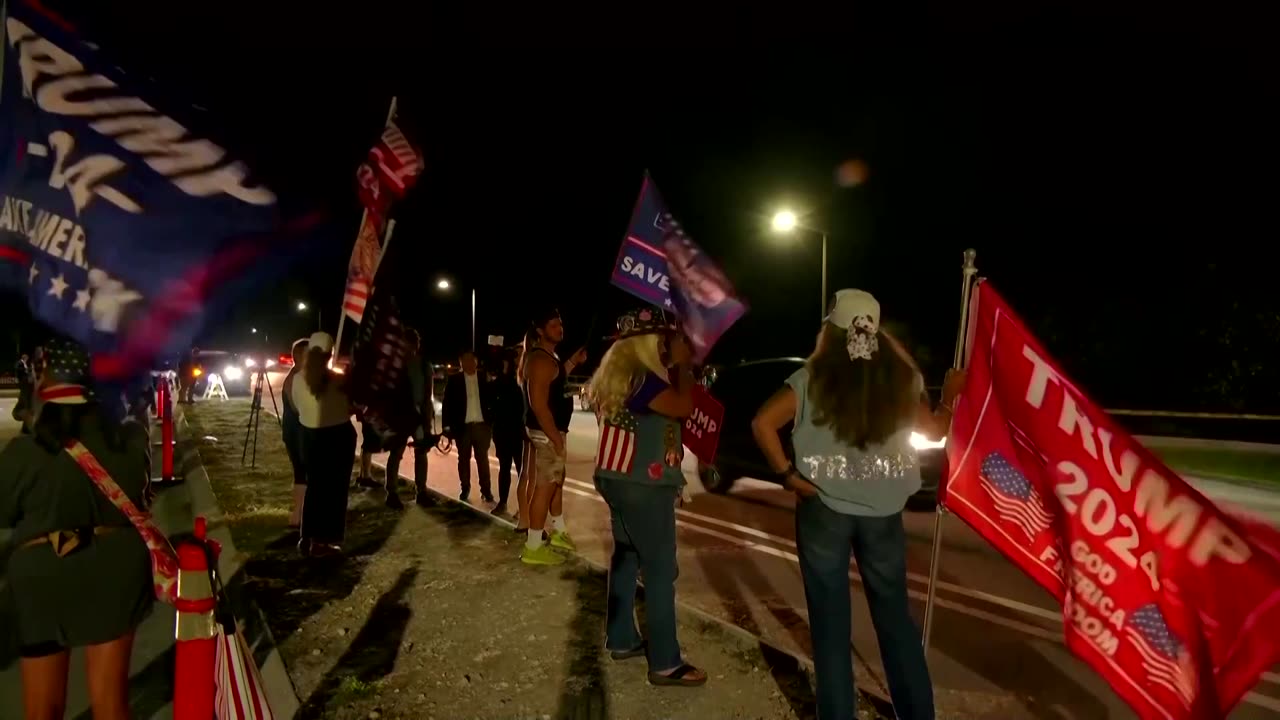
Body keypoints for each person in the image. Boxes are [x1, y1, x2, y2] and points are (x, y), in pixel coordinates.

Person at [751, 289, 962, 720]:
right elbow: (937, 430)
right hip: (883, 513)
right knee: (896, 623)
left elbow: (762, 422)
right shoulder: (901, 380)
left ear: (832, 328)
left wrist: (787, 474)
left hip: (824, 508)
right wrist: (950, 396)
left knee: (830, 629)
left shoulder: (812, 376)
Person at [0, 338, 154, 720]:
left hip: (43, 574)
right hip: (115, 567)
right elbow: (140, 495)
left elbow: (4, 511)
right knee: (110, 701)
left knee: (43, 708)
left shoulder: (27, 451)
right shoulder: (127, 439)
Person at [585, 308, 706, 687]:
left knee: (626, 556)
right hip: (643, 485)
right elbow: (684, 406)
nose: (668, 349)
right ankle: (666, 662)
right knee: (659, 570)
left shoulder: (619, 379)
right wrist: (685, 367)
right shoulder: (644, 380)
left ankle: (621, 638)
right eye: (664, 342)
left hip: (617, 478)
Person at [516, 309, 586, 564]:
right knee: (545, 486)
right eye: (554, 325)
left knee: (556, 481)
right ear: (540, 331)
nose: (560, 328)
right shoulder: (541, 360)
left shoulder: (548, 358)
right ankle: (534, 547)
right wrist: (556, 439)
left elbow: (555, 380)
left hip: (551, 432)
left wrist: (571, 363)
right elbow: (539, 405)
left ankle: (558, 531)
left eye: (561, 323)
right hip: (548, 434)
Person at [290, 332, 356, 558]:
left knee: (315, 489)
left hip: (308, 437)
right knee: (335, 493)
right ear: (329, 354)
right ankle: (324, 541)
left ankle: (307, 536)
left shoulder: (297, 379)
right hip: (337, 437)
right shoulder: (337, 380)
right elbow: (350, 407)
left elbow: (298, 408)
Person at [382, 328, 433, 510]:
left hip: (418, 416)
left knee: (421, 454)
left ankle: (421, 492)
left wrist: (427, 420)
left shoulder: (423, 364)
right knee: (396, 454)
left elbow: (428, 394)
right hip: (399, 417)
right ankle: (392, 493)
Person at [442, 350, 496, 503]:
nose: (468, 363)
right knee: (463, 460)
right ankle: (465, 488)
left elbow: (493, 399)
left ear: (476, 361)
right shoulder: (454, 381)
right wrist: (446, 426)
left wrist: (491, 422)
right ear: (460, 363)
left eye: (471, 360)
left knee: (482, 460)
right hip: (463, 428)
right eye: (464, 360)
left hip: (481, 427)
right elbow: (447, 405)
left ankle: (486, 490)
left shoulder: (484, 378)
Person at [490, 350, 524, 516]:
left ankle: (523, 506)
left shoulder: (519, 381)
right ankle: (503, 502)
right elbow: (492, 405)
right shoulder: (499, 382)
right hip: (503, 432)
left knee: (521, 471)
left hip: (518, 432)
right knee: (504, 469)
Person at [281, 337, 309, 528]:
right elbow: (297, 407)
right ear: (298, 356)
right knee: (302, 473)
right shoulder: (293, 379)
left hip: (301, 432)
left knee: (305, 473)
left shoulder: (301, 376)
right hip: (297, 433)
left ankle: (302, 513)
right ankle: (297, 515)